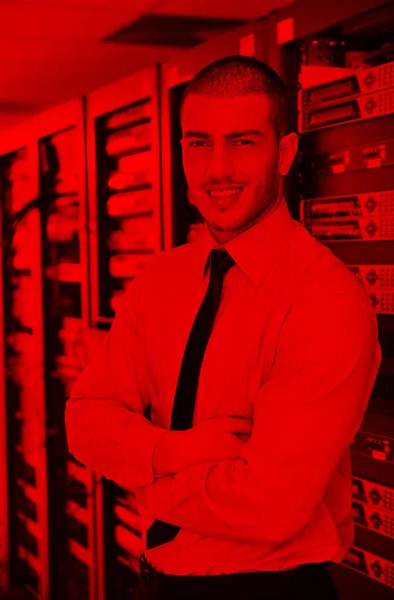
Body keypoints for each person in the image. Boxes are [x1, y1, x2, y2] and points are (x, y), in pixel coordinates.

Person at [65, 56, 381, 599]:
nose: (217, 170)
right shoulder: (159, 281)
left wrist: (146, 479)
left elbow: (270, 506)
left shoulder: (326, 301)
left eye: (242, 142)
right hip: (158, 582)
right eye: (197, 143)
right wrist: (175, 452)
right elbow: (84, 422)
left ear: (284, 152)